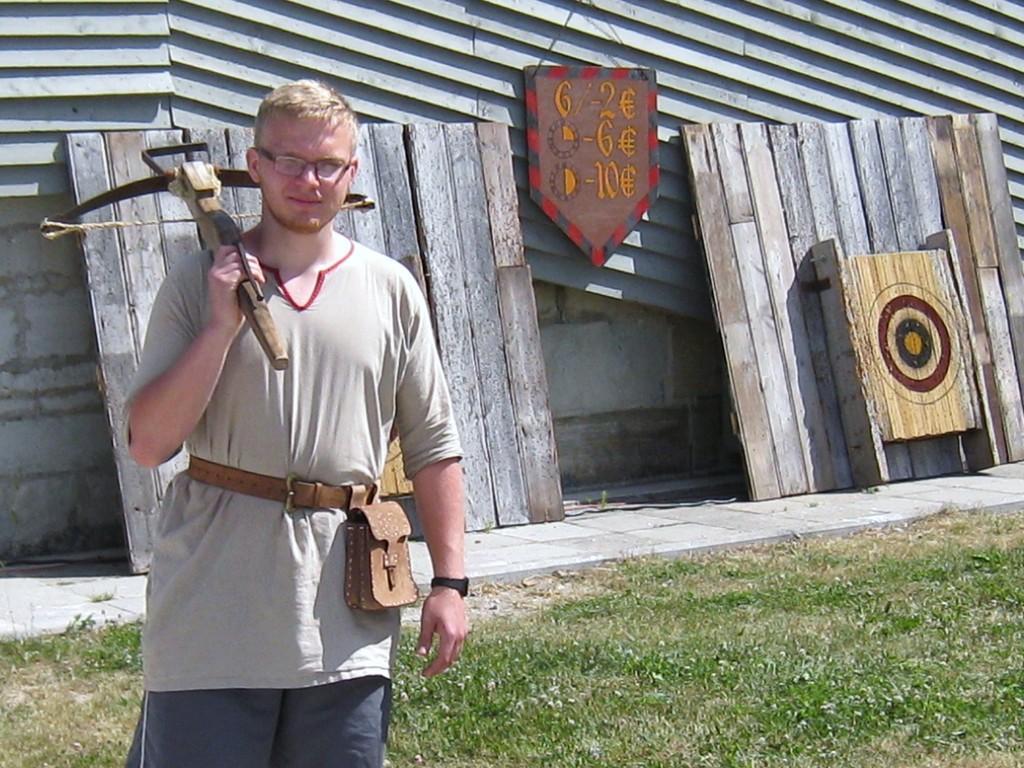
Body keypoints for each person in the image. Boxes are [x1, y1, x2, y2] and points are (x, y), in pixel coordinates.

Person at [123, 79, 468, 767]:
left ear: (353, 172)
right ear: (254, 167)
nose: (310, 181)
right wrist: (222, 328)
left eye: (328, 165)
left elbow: (433, 447)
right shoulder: (197, 284)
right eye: (290, 162)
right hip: (211, 613)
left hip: (346, 614)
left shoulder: (388, 289)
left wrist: (450, 584)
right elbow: (149, 443)